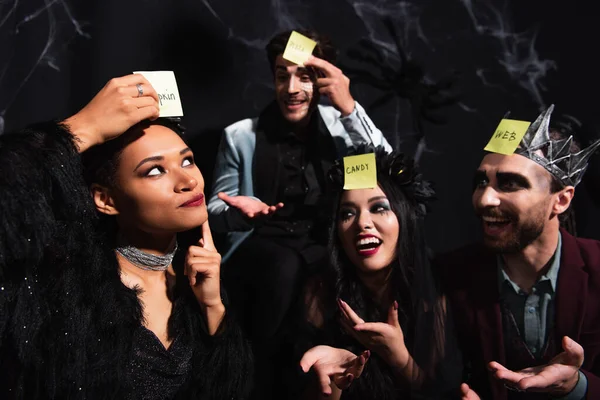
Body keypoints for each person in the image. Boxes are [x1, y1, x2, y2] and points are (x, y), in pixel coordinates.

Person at [0, 74, 252, 399]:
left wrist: (212, 306)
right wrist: (82, 129)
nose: (188, 180)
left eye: (187, 160)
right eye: (155, 170)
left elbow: (228, 389)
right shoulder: (66, 285)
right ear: (105, 200)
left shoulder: (199, 282)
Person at [207, 29, 391, 396]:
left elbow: (390, 171)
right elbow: (213, 210)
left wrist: (349, 107)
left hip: (325, 246)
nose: (291, 87)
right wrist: (242, 213)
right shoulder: (241, 136)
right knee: (284, 267)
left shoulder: (342, 128)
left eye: (303, 75)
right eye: (281, 75)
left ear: (322, 79)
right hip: (261, 247)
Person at [438, 105, 600, 399]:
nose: (484, 199)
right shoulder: (449, 276)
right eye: (481, 181)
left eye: (510, 184)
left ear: (561, 201)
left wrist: (577, 387)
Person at [297, 146, 462, 399]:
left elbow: (442, 393)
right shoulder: (319, 294)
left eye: (379, 208)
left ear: (404, 219)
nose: (362, 223)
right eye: (347, 213)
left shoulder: (435, 292)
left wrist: (398, 356)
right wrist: (333, 385)